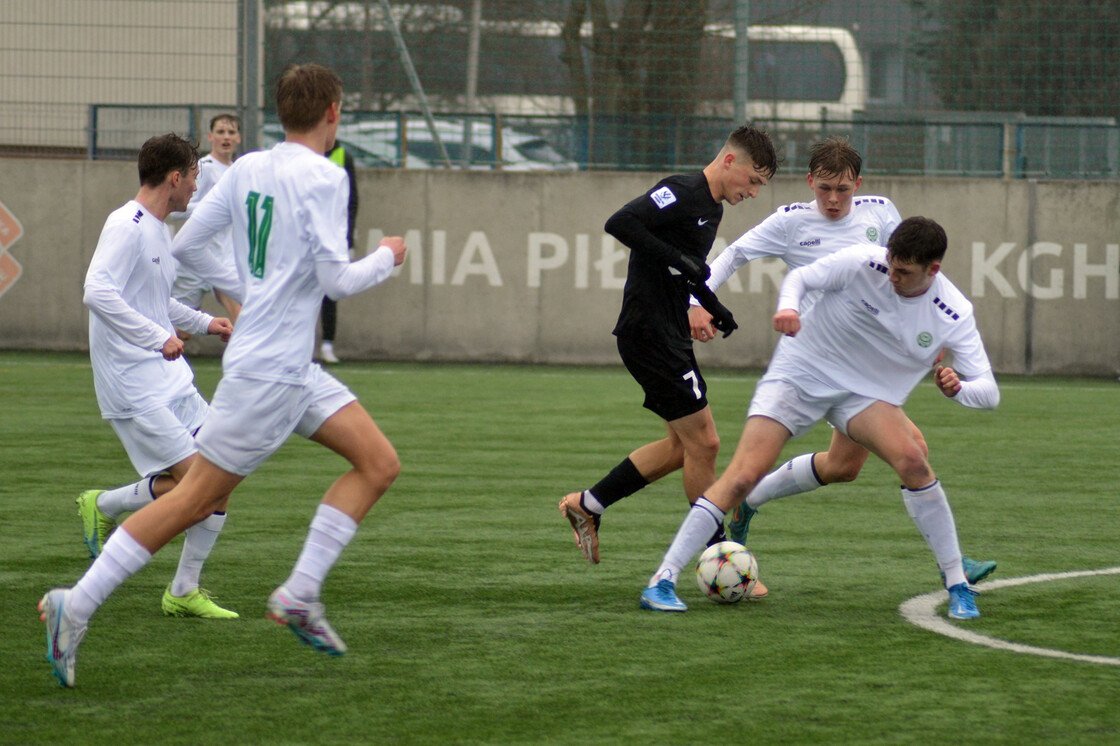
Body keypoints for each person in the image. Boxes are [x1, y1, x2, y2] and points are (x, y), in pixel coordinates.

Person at [38, 63, 408, 688]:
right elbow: (336, 280)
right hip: (272, 375)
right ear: (334, 113)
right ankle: (75, 604)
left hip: (289, 367)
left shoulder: (249, 169)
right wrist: (388, 257)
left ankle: (300, 594)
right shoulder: (325, 174)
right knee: (194, 499)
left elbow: (186, 249)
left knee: (378, 463)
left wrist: (248, 294)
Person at [640, 216, 999, 621]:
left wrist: (960, 390)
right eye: (891, 264)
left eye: (904, 272)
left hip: (861, 393)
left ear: (933, 270)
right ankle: (661, 581)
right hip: (802, 372)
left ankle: (957, 586)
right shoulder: (867, 261)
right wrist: (789, 308)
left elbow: (989, 392)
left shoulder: (952, 311)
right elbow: (802, 279)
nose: (892, 276)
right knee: (741, 476)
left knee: (912, 459)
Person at [689, 136, 996, 587]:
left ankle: (749, 499)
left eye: (844, 190)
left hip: (866, 362)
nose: (833, 200)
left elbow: (915, 266)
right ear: (811, 182)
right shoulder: (791, 222)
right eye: (825, 189)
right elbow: (734, 254)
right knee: (914, 453)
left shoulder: (881, 213)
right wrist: (696, 302)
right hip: (819, 361)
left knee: (843, 468)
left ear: (859, 184)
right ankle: (953, 566)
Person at [559, 125, 779, 588]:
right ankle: (721, 559)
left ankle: (589, 504)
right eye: (754, 181)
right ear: (729, 162)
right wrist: (682, 262)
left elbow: (685, 272)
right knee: (706, 444)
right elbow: (620, 222)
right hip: (649, 333)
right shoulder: (681, 190)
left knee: (683, 448)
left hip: (668, 332)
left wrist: (716, 307)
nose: (755, 192)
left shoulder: (712, 209)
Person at [78, 132, 238, 619]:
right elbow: (97, 292)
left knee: (224, 471)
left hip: (167, 376)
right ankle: (106, 513)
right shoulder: (125, 225)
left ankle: (182, 586)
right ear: (175, 178)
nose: (196, 187)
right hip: (133, 382)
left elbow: (156, 300)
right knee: (201, 486)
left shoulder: (159, 230)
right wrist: (156, 337)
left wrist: (205, 323)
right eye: (193, 177)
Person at [170, 113, 242, 333]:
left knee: (243, 318)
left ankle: (251, 364)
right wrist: (213, 211)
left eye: (231, 132)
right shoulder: (204, 167)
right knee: (179, 333)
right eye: (220, 132)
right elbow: (177, 212)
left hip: (224, 259)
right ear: (211, 136)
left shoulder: (240, 170)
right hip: (195, 261)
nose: (226, 137)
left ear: (238, 138)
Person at [318, 142, 358, 364]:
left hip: (333, 237)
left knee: (330, 291)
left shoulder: (343, 156)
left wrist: (348, 239)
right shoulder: (301, 153)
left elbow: (352, 202)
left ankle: (327, 344)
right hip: (305, 236)